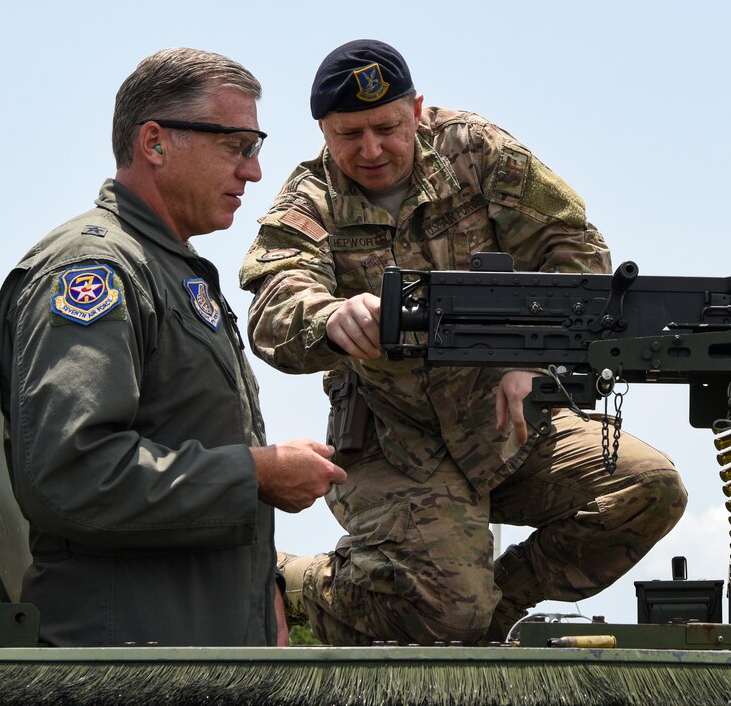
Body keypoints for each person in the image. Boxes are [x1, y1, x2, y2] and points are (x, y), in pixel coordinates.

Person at [238, 39, 687, 646]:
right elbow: (273, 305)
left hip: (510, 422)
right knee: (448, 613)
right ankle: (296, 583)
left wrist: (534, 355)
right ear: (322, 130)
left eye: (386, 128)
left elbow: (575, 249)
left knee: (649, 488)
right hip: (394, 440)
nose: (371, 150)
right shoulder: (308, 199)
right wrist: (329, 316)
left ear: (416, 110)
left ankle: (492, 610)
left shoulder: (476, 153)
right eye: (350, 135)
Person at [0, 47, 346, 647]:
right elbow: (72, 474)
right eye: (237, 145)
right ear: (155, 143)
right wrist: (255, 474)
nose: (255, 171)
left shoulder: (169, 271)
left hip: (188, 655)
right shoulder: (96, 269)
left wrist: (265, 605)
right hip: (122, 666)